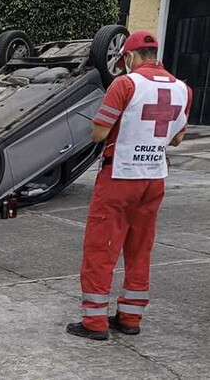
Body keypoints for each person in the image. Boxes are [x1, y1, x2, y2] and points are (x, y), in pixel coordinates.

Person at [66, 31, 192, 341]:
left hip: (120, 177)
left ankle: (94, 323)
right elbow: (176, 138)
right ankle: (130, 317)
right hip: (153, 178)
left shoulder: (125, 84)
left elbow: (99, 133)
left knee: (101, 248)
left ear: (130, 57)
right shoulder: (183, 90)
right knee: (140, 249)